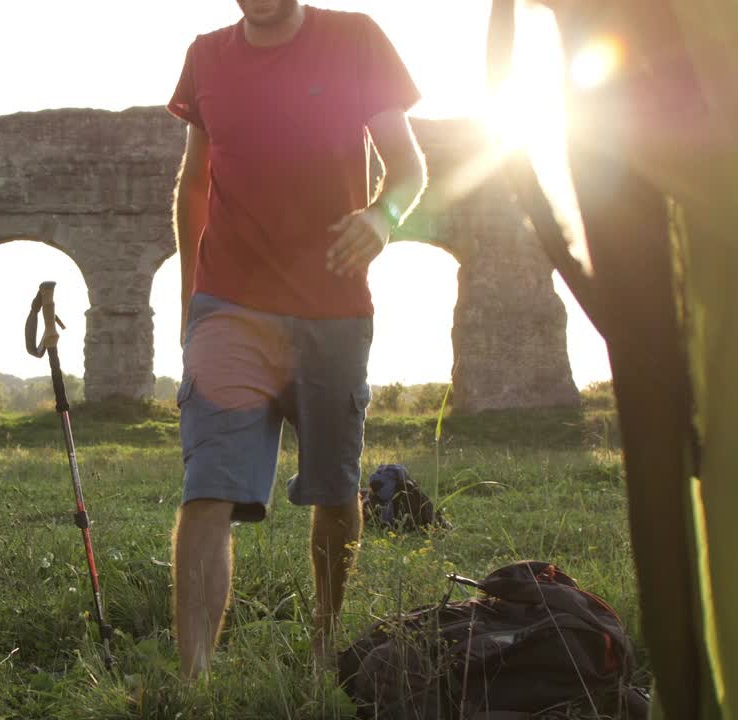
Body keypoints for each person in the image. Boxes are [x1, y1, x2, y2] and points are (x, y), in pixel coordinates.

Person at [166, 0, 427, 679]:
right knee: (207, 486)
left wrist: (383, 216)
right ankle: (192, 680)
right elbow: (194, 183)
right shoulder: (205, 56)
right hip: (230, 308)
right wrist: (192, 302)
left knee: (335, 488)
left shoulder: (357, 38)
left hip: (332, 308)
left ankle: (324, 644)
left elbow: (408, 167)